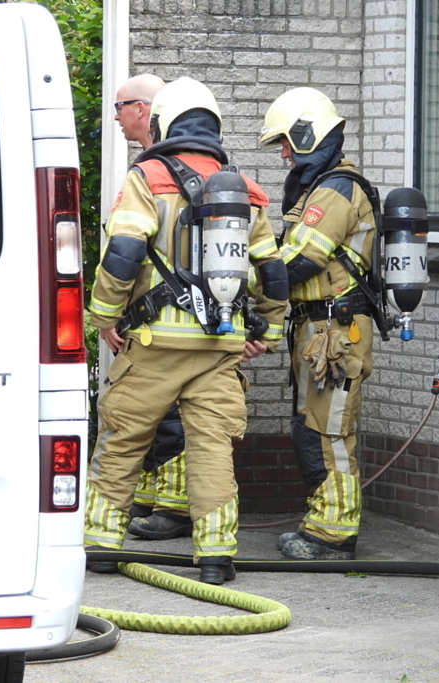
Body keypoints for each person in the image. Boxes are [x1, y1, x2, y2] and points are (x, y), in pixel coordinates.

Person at [86, 77, 289, 585]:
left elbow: (124, 252)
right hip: (221, 345)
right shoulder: (245, 188)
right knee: (213, 450)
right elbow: (272, 268)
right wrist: (273, 327)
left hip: (154, 344)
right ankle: (217, 557)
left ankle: (101, 547)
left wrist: (103, 316)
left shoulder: (147, 176)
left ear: (164, 122)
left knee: (123, 441)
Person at [259, 87, 377, 561]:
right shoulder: (320, 187)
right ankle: (322, 522)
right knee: (312, 428)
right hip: (318, 331)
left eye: (287, 142)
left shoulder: (335, 189)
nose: (284, 154)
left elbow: (298, 262)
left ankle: (334, 535)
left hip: (336, 331)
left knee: (329, 431)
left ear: (310, 134)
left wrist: (241, 278)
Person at [108, 74, 194, 539]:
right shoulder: (151, 166)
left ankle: (176, 507)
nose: (117, 117)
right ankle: (155, 494)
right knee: (154, 414)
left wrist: (103, 313)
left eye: (120, 107)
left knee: (174, 414)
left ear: (145, 109)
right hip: (148, 316)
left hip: (173, 318)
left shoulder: (161, 171)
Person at [114, 73, 165, 149]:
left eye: (119, 109)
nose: (116, 117)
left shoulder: (159, 159)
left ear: (140, 109)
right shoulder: (179, 153)